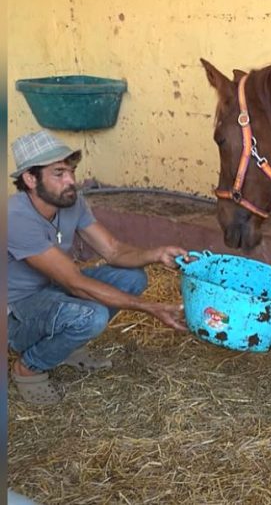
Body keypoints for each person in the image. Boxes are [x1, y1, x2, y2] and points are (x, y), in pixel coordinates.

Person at [7, 130, 191, 404]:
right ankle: (29, 368)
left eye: (71, 171)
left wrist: (156, 253)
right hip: (16, 315)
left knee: (131, 277)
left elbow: (114, 250)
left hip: (52, 292)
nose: (71, 180)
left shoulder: (70, 202)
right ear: (30, 179)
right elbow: (75, 283)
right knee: (89, 317)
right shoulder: (14, 217)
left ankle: (63, 346)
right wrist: (149, 308)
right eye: (59, 173)